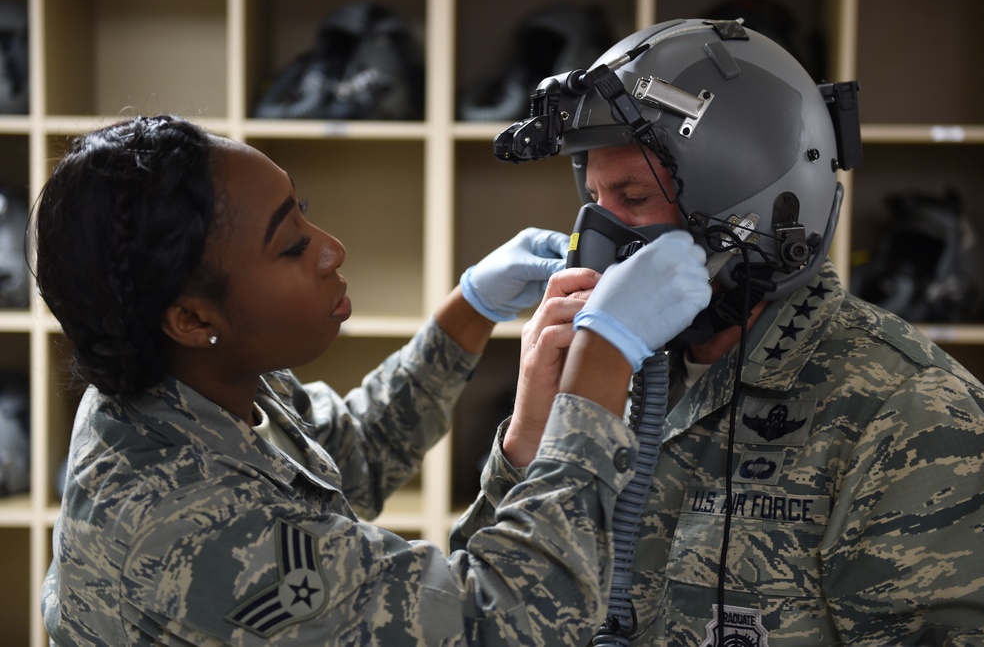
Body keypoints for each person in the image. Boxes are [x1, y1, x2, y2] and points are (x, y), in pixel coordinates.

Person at [33, 114, 712, 645]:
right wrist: (600, 365)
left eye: (303, 210)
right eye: (291, 244)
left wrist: (469, 313)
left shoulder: (197, 383)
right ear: (190, 317)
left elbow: (350, 459)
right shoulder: (183, 523)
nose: (331, 248)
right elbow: (499, 627)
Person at [456, 18, 984, 645]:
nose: (598, 240)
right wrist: (530, 437)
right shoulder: (606, 375)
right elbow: (476, 622)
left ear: (751, 212)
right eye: (595, 199)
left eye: (632, 200)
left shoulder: (910, 414)